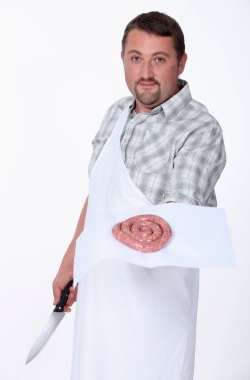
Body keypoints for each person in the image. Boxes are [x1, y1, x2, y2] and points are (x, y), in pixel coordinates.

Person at [53, 11, 226, 380]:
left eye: (159, 59)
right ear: (123, 60)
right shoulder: (116, 113)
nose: (145, 73)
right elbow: (100, 192)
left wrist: (112, 237)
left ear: (181, 62)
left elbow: (178, 211)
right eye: (136, 58)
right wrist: (74, 257)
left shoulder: (199, 128)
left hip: (155, 308)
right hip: (101, 297)